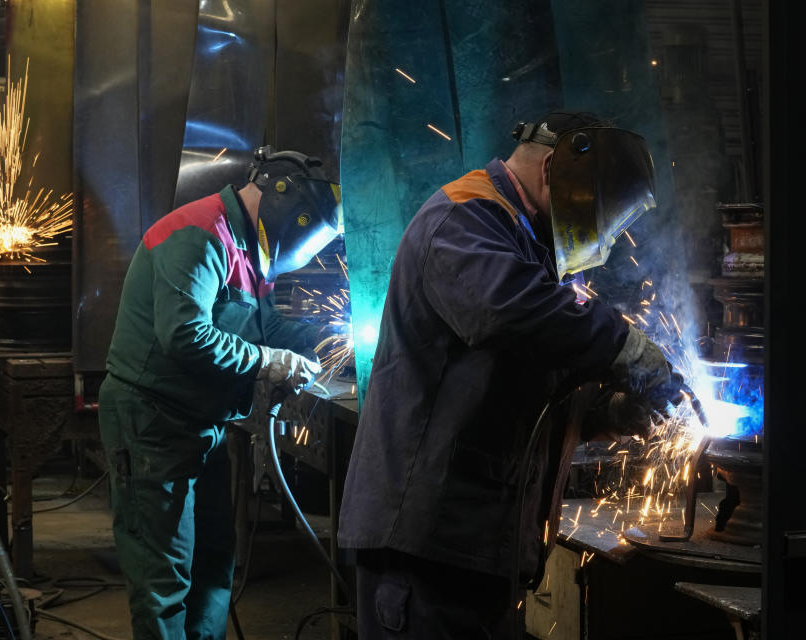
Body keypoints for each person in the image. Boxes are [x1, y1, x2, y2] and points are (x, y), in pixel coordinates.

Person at [337, 111, 685, 639]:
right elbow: (502, 309)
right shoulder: (463, 218)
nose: (604, 234)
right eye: (602, 211)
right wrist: (623, 343)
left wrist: (608, 413)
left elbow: (525, 381)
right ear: (554, 170)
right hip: (425, 550)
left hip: (477, 551)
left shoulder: (526, 245)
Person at [99, 145, 342, 639]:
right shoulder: (200, 233)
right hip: (152, 423)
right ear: (284, 201)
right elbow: (184, 334)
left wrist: (327, 342)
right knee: (164, 576)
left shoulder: (253, 247)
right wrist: (269, 362)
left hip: (203, 427)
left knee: (214, 562)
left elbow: (264, 325)